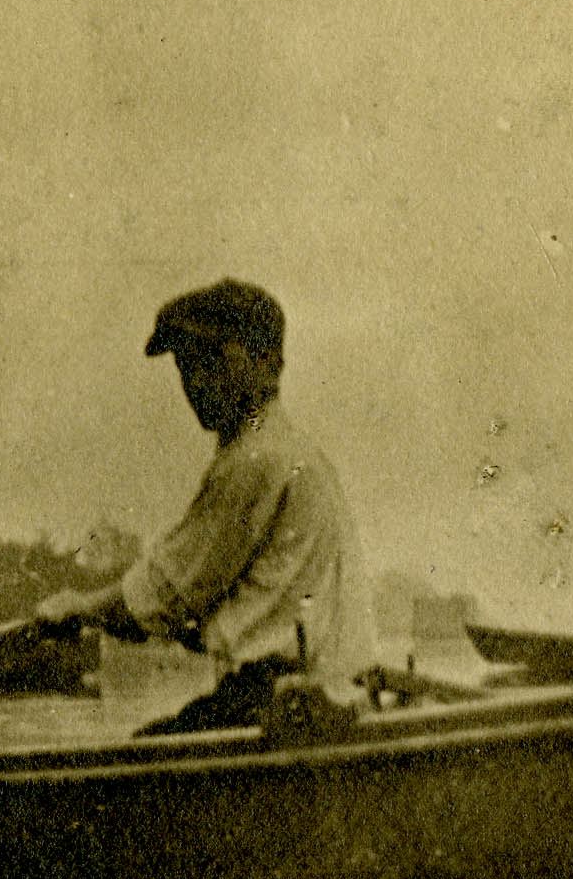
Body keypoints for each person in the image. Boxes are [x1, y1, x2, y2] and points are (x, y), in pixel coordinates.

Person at [32, 278, 376, 736]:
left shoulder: (257, 457)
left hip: (287, 702)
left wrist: (78, 607)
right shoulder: (295, 453)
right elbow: (209, 607)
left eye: (215, 360)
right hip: (329, 694)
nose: (196, 382)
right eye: (186, 366)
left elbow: (164, 595)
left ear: (267, 363)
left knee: (138, 763)